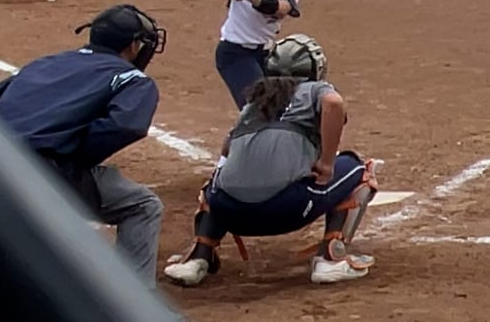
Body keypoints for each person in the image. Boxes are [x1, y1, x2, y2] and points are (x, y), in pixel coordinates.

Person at [0, 5, 167, 320]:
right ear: (132, 45)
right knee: (142, 206)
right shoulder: (132, 78)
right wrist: (75, 153)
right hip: (47, 168)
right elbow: (125, 125)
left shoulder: (45, 62)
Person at [162, 35, 384, 287]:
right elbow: (333, 103)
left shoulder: (256, 99)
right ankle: (331, 259)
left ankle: (198, 256)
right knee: (357, 168)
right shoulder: (316, 89)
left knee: (216, 182)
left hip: (229, 212)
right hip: (287, 210)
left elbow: (226, 149)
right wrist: (325, 163)